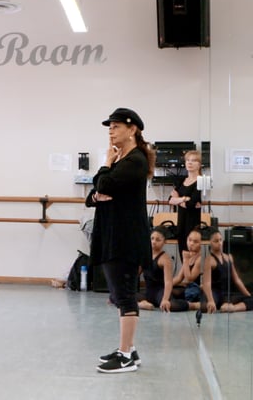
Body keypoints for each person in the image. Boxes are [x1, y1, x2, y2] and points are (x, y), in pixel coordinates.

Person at [87, 108, 153, 374]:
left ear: (132, 129)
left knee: (125, 296)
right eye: (109, 127)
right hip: (114, 236)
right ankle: (129, 348)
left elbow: (102, 184)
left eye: (115, 126)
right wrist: (98, 192)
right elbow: (96, 189)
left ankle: (126, 355)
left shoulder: (135, 161)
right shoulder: (122, 159)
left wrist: (105, 164)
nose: (110, 130)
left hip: (126, 239)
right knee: (118, 295)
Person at [199, 228, 253, 313]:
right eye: (216, 241)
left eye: (220, 240)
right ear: (210, 243)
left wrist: (248, 295)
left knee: (251, 301)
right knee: (204, 307)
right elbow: (207, 283)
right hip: (215, 293)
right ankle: (219, 305)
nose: (219, 243)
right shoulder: (209, 260)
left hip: (227, 294)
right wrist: (210, 300)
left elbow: (237, 280)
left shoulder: (229, 257)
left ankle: (232, 308)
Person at [137, 227, 189, 312]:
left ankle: (192, 304)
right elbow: (135, 274)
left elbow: (168, 282)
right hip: (148, 293)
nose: (154, 242)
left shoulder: (165, 259)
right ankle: (141, 304)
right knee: (117, 296)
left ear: (164, 242)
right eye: (152, 238)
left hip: (160, 293)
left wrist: (165, 299)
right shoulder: (145, 256)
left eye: (158, 240)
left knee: (171, 306)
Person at [169, 150, 203, 257]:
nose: (189, 163)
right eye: (188, 160)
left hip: (193, 224)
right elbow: (170, 200)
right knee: (182, 255)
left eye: (193, 160)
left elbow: (191, 204)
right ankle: (185, 274)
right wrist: (184, 199)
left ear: (199, 164)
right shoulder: (181, 180)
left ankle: (192, 274)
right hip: (181, 223)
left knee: (192, 256)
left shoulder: (200, 182)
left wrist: (178, 199)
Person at [171, 229, 203, 302]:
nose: (191, 243)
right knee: (168, 292)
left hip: (198, 288)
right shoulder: (189, 256)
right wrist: (166, 285)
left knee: (190, 293)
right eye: (189, 240)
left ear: (201, 243)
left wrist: (185, 260)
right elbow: (179, 278)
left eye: (195, 242)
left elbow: (189, 279)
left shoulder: (200, 259)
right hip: (188, 287)